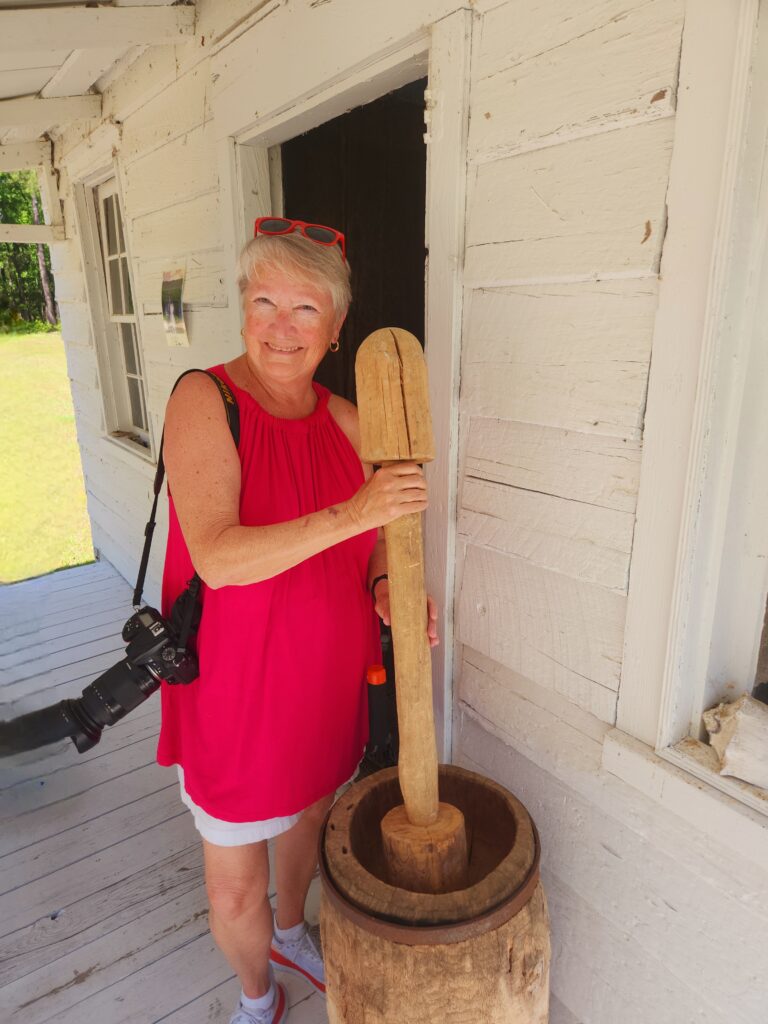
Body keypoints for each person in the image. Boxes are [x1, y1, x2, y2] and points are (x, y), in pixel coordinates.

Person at [157, 217, 439, 1024]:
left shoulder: (351, 423)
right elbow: (217, 555)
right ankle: (257, 997)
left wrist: (389, 585)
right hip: (237, 691)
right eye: (263, 301)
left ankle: (291, 928)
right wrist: (356, 512)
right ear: (243, 309)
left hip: (325, 679)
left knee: (311, 816)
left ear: (337, 328)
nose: (280, 327)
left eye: (304, 309)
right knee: (231, 880)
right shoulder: (204, 399)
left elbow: (384, 539)